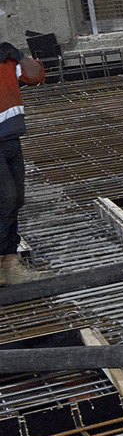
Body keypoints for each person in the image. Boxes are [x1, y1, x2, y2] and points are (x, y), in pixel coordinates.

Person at [0, 40, 47, 285]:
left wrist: (17, 54)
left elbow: (36, 75)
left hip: (10, 137)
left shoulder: (5, 61)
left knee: (16, 198)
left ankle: (9, 265)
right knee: (5, 198)